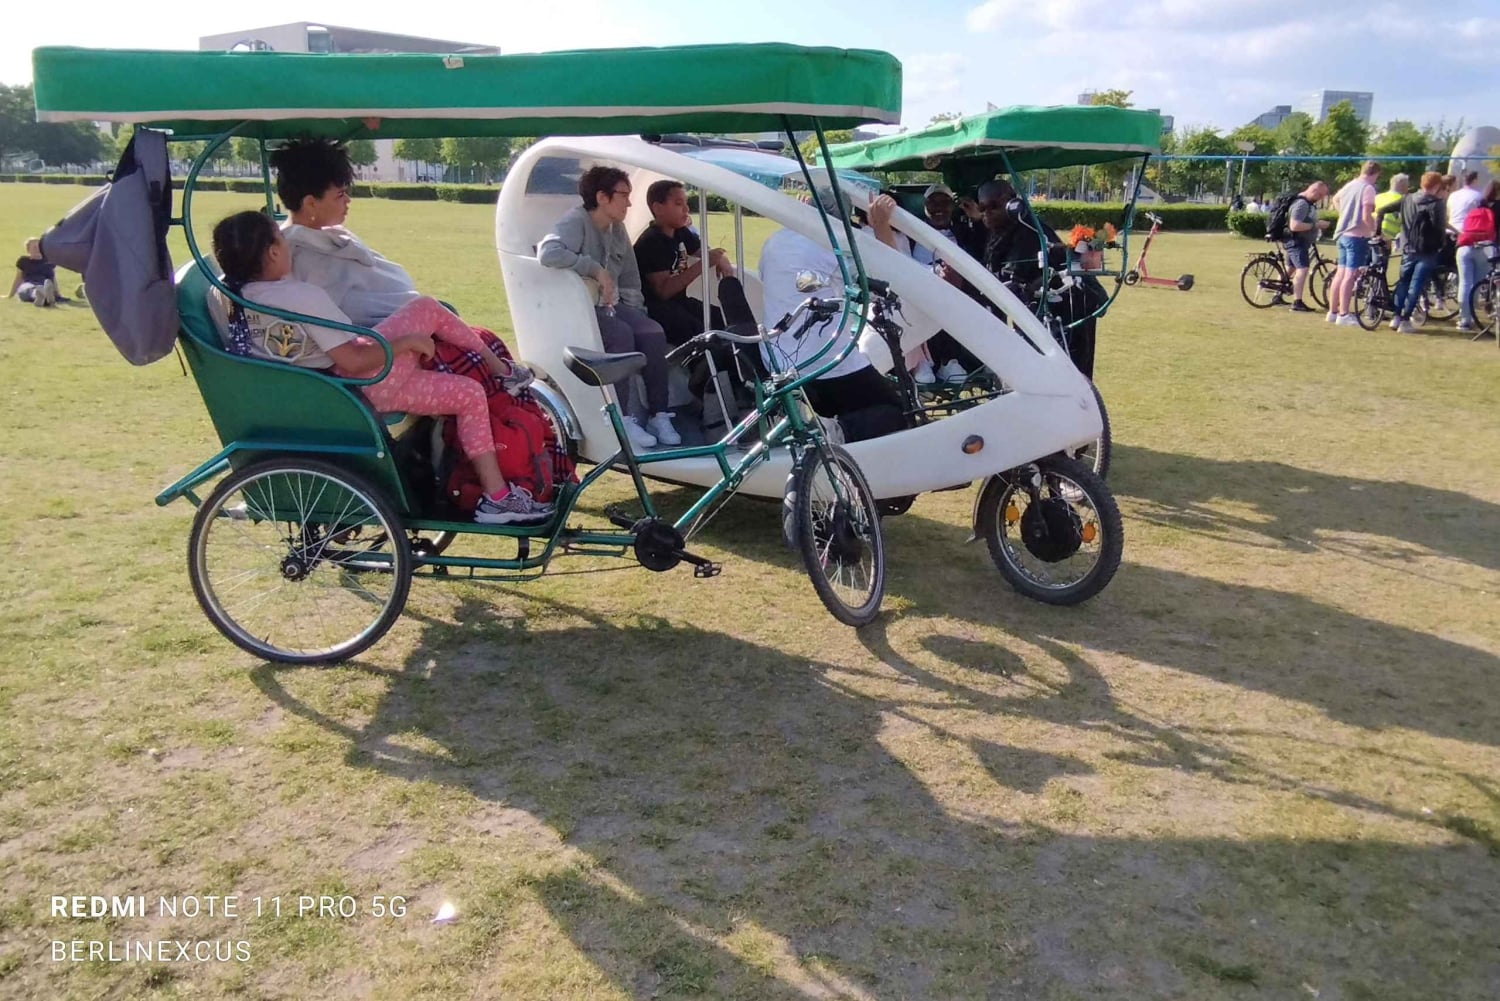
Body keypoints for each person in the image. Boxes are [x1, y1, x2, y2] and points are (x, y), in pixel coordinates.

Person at [210, 210, 551, 525]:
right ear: (272, 253)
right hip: (356, 386)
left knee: (468, 394)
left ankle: (498, 497)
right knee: (425, 309)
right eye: (283, 241)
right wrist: (406, 344)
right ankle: (501, 370)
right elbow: (353, 359)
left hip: (327, 389)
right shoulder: (300, 297)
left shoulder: (225, 298)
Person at [539, 166, 679, 450]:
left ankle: (658, 415)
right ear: (602, 197)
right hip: (582, 310)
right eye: (624, 195)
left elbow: (629, 276)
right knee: (621, 335)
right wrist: (593, 269)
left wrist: (638, 310)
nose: (629, 203)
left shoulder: (617, 229)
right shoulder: (576, 221)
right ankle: (623, 418)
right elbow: (548, 253)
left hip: (610, 306)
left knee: (652, 332)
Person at [757, 187, 907, 429]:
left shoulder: (775, 242)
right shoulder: (838, 245)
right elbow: (895, 279)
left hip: (777, 360)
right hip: (826, 364)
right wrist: (880, 226)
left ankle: (834, 432)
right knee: (897, 413)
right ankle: (838, 433)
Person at [632, 178, 763, 403]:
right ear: (658, 208)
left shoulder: (680, 233)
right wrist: (703, 263)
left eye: (686, 203)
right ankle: (703, 384)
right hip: (656, 308)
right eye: (678, 203)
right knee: (700, 330)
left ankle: (738, 381)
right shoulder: (651, 242)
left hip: (679, 302)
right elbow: (663, 290)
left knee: (720, 319)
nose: (686, 209)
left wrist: (720, 260)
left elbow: (706, 250)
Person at [978, 179, 1106, 379]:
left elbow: (1014, 278)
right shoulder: (1001, 231)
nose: (987, 213)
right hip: (1036, 312)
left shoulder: (1028, 230)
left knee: (1070, 377)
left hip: (1067, 310)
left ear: (1013, 204)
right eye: (982, 208)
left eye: (993, 206)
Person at [909, 183, 986, 383]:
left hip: (955, 292)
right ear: (925, 206)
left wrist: (977, 220)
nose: (939, 208)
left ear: (953, 206)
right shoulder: (911, 230)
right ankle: (921, 361)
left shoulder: (963, 231)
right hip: (918, 288)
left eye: (945, 202)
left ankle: (948, 362)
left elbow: (984, 251)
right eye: (933, 203)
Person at [1378, 171, 1448, 335]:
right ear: (1437, 186)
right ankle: (1405, 319)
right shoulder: (1437, 203)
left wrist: (1377, 230)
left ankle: (1396, 316)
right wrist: (1441, 244)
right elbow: (1439, 227)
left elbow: (1382, 210)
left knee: (1403, 282)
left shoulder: (1407, 199)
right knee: (1416, 285)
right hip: (1428, 249)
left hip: (1408, 247)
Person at [1327, 161, 1380, 326]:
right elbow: (1366, 215)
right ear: (1375, 174)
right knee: (1350, 275)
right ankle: (1344, 313)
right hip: (1357, 236)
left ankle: (1333, 312)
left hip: (1343, 234)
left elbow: (1335, 199)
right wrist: (1375, 231)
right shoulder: (1368, 189)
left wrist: (1344, 213)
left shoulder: (1350, 185)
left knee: (1340, 274)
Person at [1454, 178, 1500, 332]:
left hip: (1465, 246)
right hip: (1485, 247)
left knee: (1465, 283)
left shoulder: (1478, 207)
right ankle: (1473, 316)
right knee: (1476, 284)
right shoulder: (1497, 208)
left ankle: (1464, 318)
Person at [1283, 180, 1329, 313]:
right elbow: (1295, 226)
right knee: (1302, 269)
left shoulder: (1306, 203)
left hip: (1298, 241)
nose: (1320, 199)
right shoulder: (1302, 204)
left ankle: (1278, 294)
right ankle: (1297, 302)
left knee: (1290, 268)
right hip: (1297, 241)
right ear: (1314, 191)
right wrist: (1316, 225)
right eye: (1320, 195)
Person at [6, 240, 61, 307]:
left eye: (39, 247)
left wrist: (58, 294)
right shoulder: (23, 261)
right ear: (28, 250)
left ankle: (42, 297)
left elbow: (53, 278)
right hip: (28, 285)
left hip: (44, 284)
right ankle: (42, 296)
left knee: (45, 286)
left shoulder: (49, 262)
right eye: (34, 247)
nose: (37, 249)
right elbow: (18, 279)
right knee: (28, 289)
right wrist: (10, 295)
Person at [1375, 173, 1410, 250]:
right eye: (1407, 185)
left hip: (1372, 235)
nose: (1408, 188)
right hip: (1387, 240)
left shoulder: (1378, 197)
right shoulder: (1404, 201)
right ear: (1402, 185)